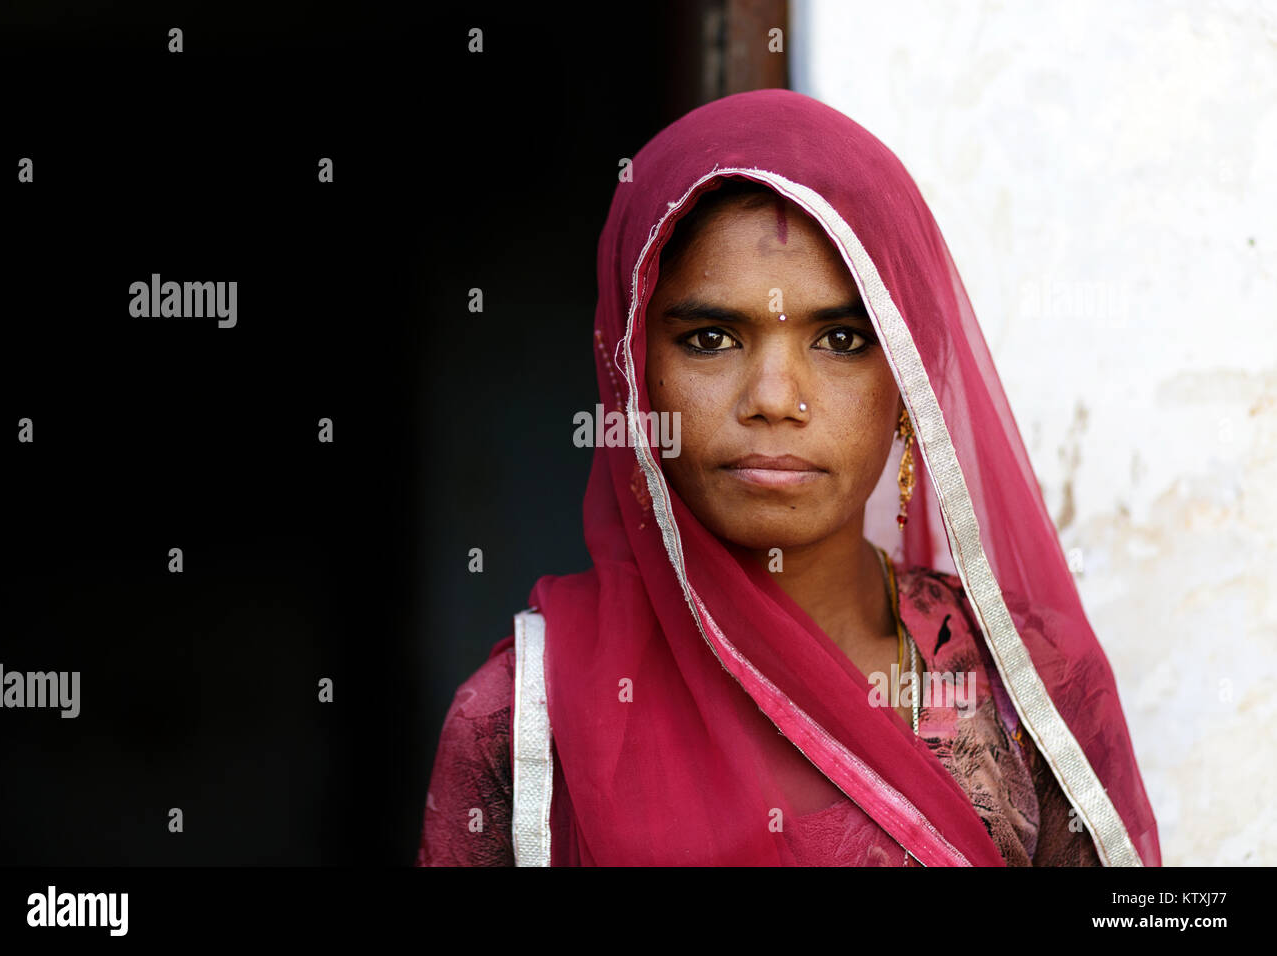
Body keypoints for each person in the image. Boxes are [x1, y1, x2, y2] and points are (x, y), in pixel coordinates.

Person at [415, 89, 1161, 867]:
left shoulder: (1027, 687)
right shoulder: (522, 718)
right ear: (634, 370)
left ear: (909, 381)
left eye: (840, 338)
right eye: (710, 338)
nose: (774, 398)